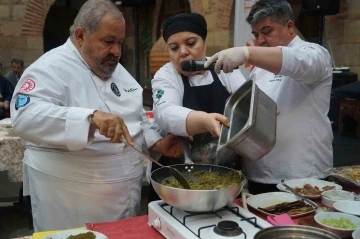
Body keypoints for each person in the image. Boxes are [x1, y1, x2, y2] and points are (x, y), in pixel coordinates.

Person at [10, 0, 182, 231]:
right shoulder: (49, 68)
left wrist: (157, 143)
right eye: (108, 41)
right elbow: (24, 116)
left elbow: (136, 118)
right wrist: (89, 118)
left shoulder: (116, 69)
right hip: (71, 200)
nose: (117, 51)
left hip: (124, 197)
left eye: (120, 42)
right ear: (80, 36)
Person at [205, 0, 333, 194]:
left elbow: (299, 63)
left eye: (267, 31)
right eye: (256, 35)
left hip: (302, 174)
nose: (261, 40)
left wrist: (247, 52)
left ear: (289, 26)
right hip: (259, 174)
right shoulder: (260, 70)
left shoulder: (314, 53)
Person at [148, 13, 246, 202]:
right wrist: (203, 120)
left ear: (204, 43)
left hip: (224, 177)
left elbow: (246, 101)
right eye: (174, 48)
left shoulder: (223, 68)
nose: (183, 52)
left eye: (191, 43)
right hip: (178, 179)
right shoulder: (166, 75)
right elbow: (164, 113)